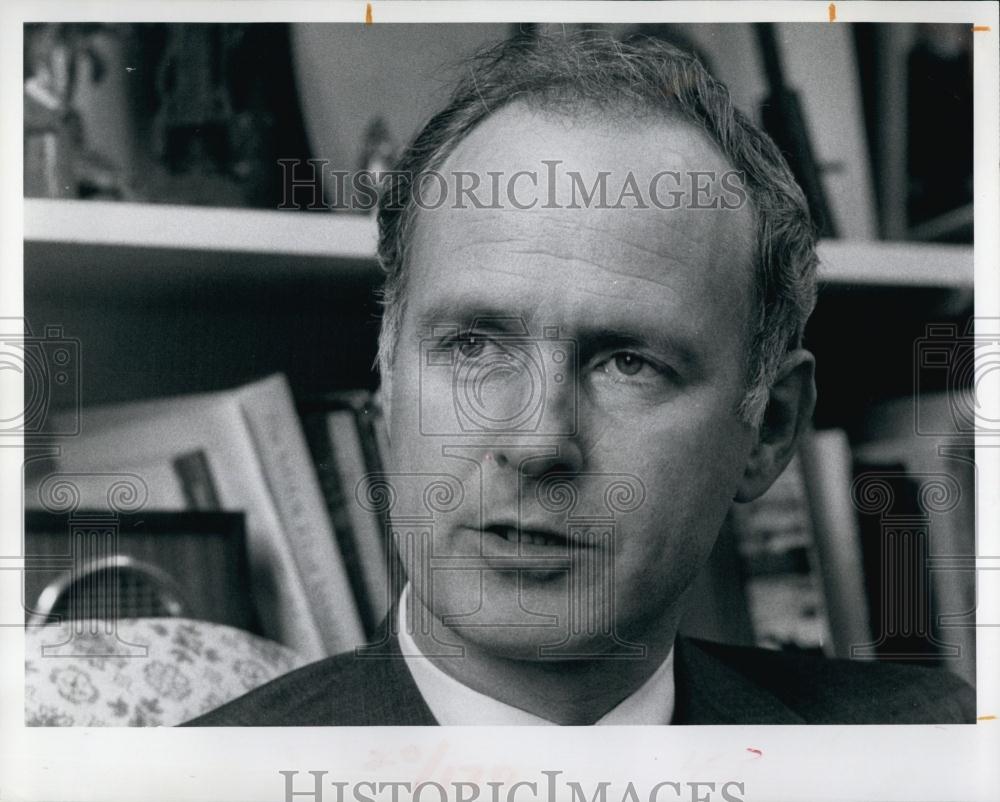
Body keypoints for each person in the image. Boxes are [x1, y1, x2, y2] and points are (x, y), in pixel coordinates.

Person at [186, 33, 974, 726]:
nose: (536, 441)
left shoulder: (933, 754)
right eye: (472, 345)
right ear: (389, 375)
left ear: (768, 431)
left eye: (629, 363)